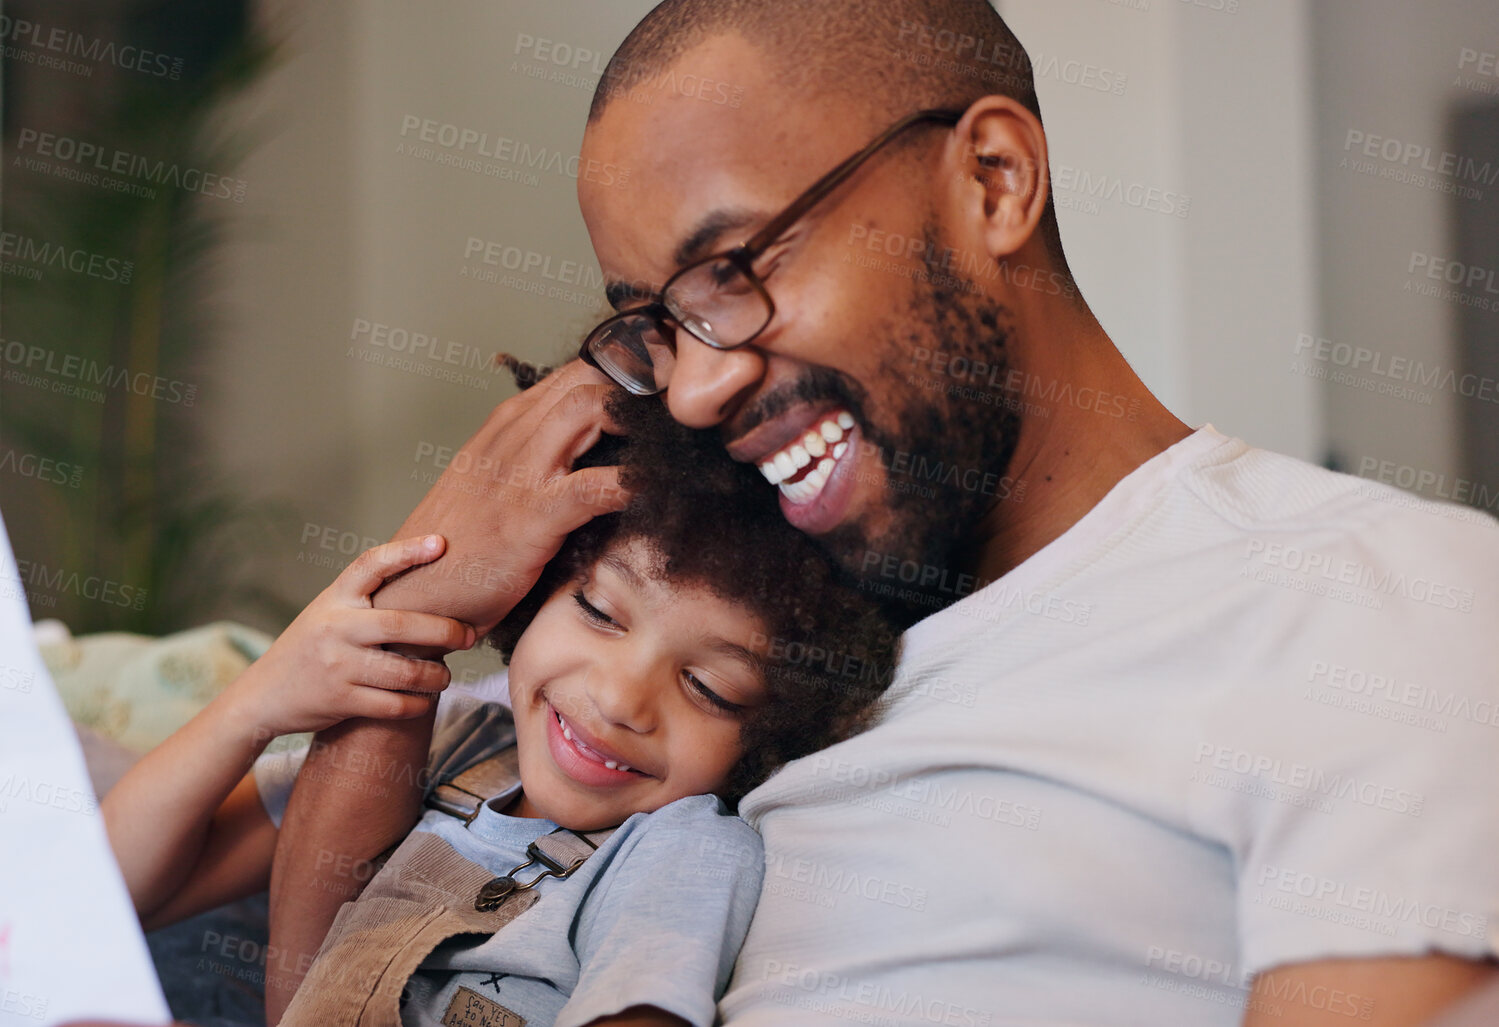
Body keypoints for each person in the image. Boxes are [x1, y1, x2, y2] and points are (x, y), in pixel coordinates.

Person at [269, 1, 1499, 1025]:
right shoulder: (739, 627)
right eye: (658, 321)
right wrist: (423, 591)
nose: (695, 388)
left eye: (737, 270)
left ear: (995, 179)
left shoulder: (1373, 597)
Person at [99, 389, 899, 1027]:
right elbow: (109, 886)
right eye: (597, 611)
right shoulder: (455, 736)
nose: (618, 697)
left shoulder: (681, 849)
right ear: (533, 587)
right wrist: (256, 702)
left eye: (709, 688)